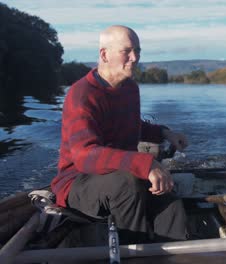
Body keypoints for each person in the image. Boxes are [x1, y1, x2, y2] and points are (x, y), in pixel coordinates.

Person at [51, 25, 189, 243]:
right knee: (127, 185)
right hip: (77, 183)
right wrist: (147, 165)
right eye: (127, 51)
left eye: (138, 51)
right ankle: (135, 252)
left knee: (169, 198)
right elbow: (85, 155)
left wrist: (164, 133)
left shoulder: (130, 88)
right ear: (104, 54)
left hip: (124, 176)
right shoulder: (82, 95)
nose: (135, 58)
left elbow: (133, 125)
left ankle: (176, 253)